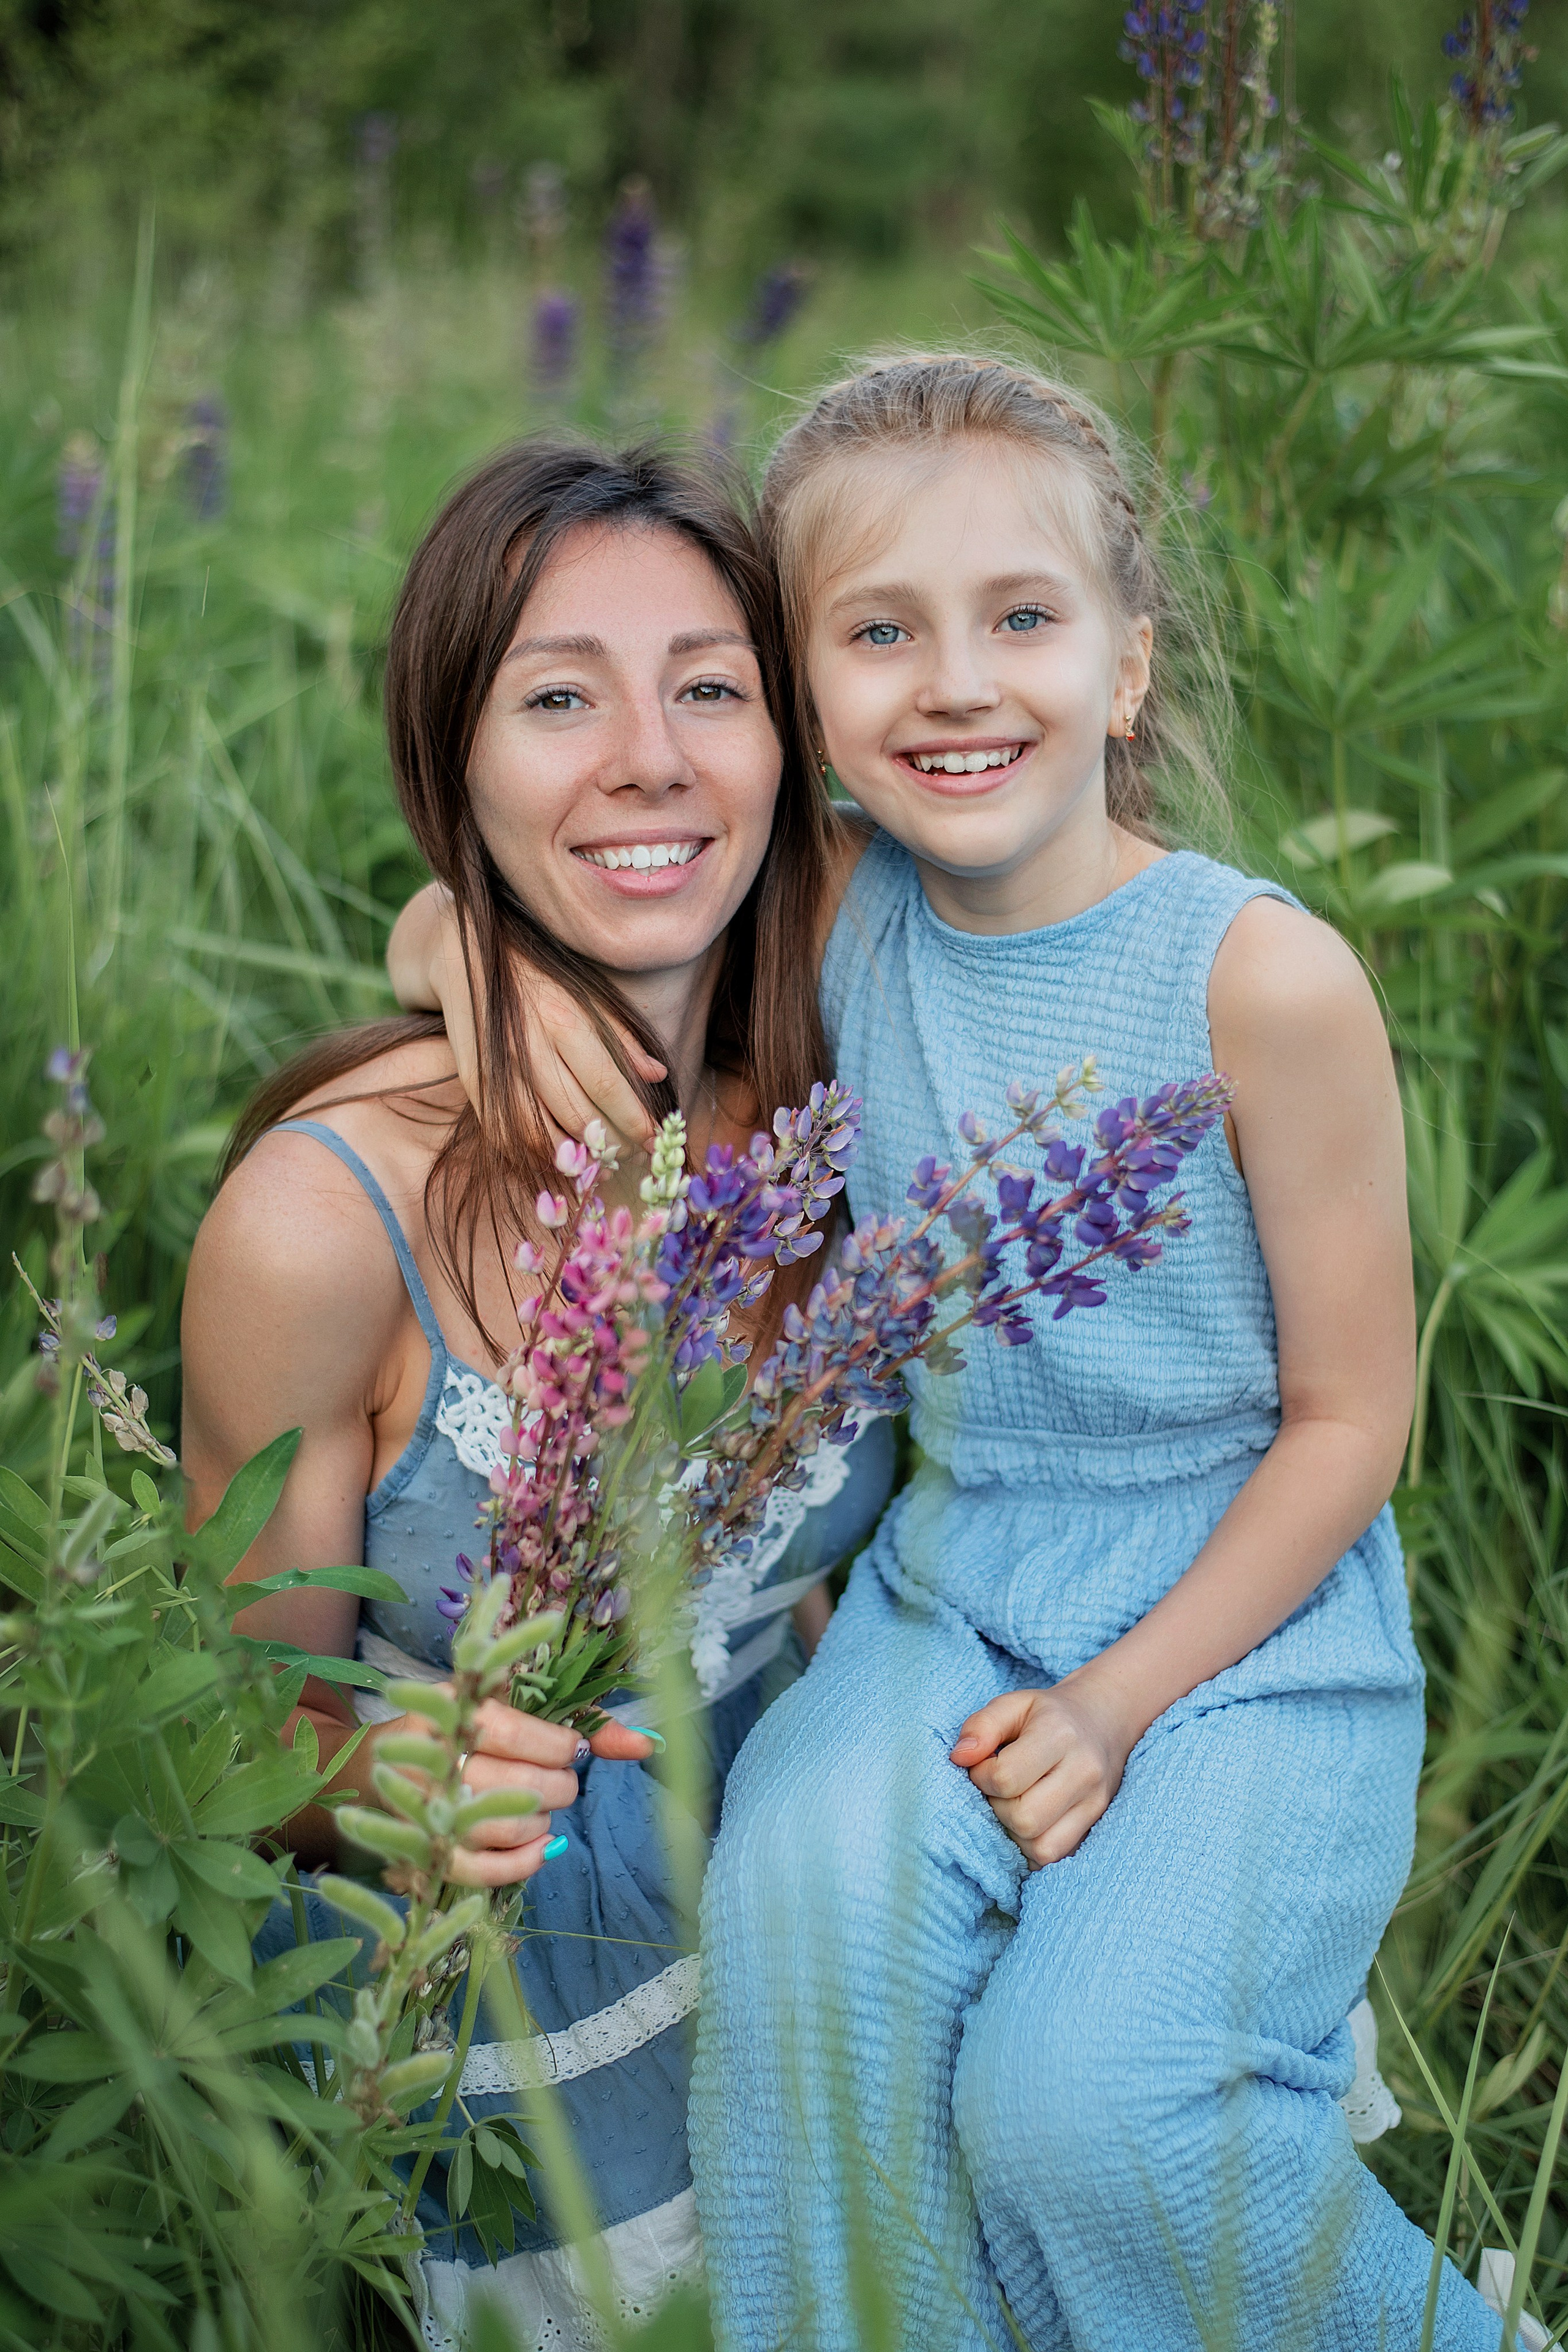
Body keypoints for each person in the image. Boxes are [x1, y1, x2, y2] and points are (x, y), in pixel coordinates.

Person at [390, 358, 1517, 2348]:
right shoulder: (839, 905)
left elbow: (1361, 1418)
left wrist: (1115, 1704)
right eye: (880, 633)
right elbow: (487, 906)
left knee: (1086, 2111)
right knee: (803, 1952)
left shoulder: (1259, 977)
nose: (958, 682)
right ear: (808, 705)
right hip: (946, 1591)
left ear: (1131, 664)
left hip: (1246, 1632)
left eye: (1023, 619)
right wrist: (455, 971)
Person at [181, 439, 895, 2352]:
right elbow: (227, 1744)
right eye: (557, 695)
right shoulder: (323, 1225)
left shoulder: (863, 1034)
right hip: (516, 2001)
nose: (650, 755)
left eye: (712, 688)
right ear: (454, 762)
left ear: (793, 747)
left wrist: (464, 930)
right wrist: (376, 1779)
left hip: (842, 1894)